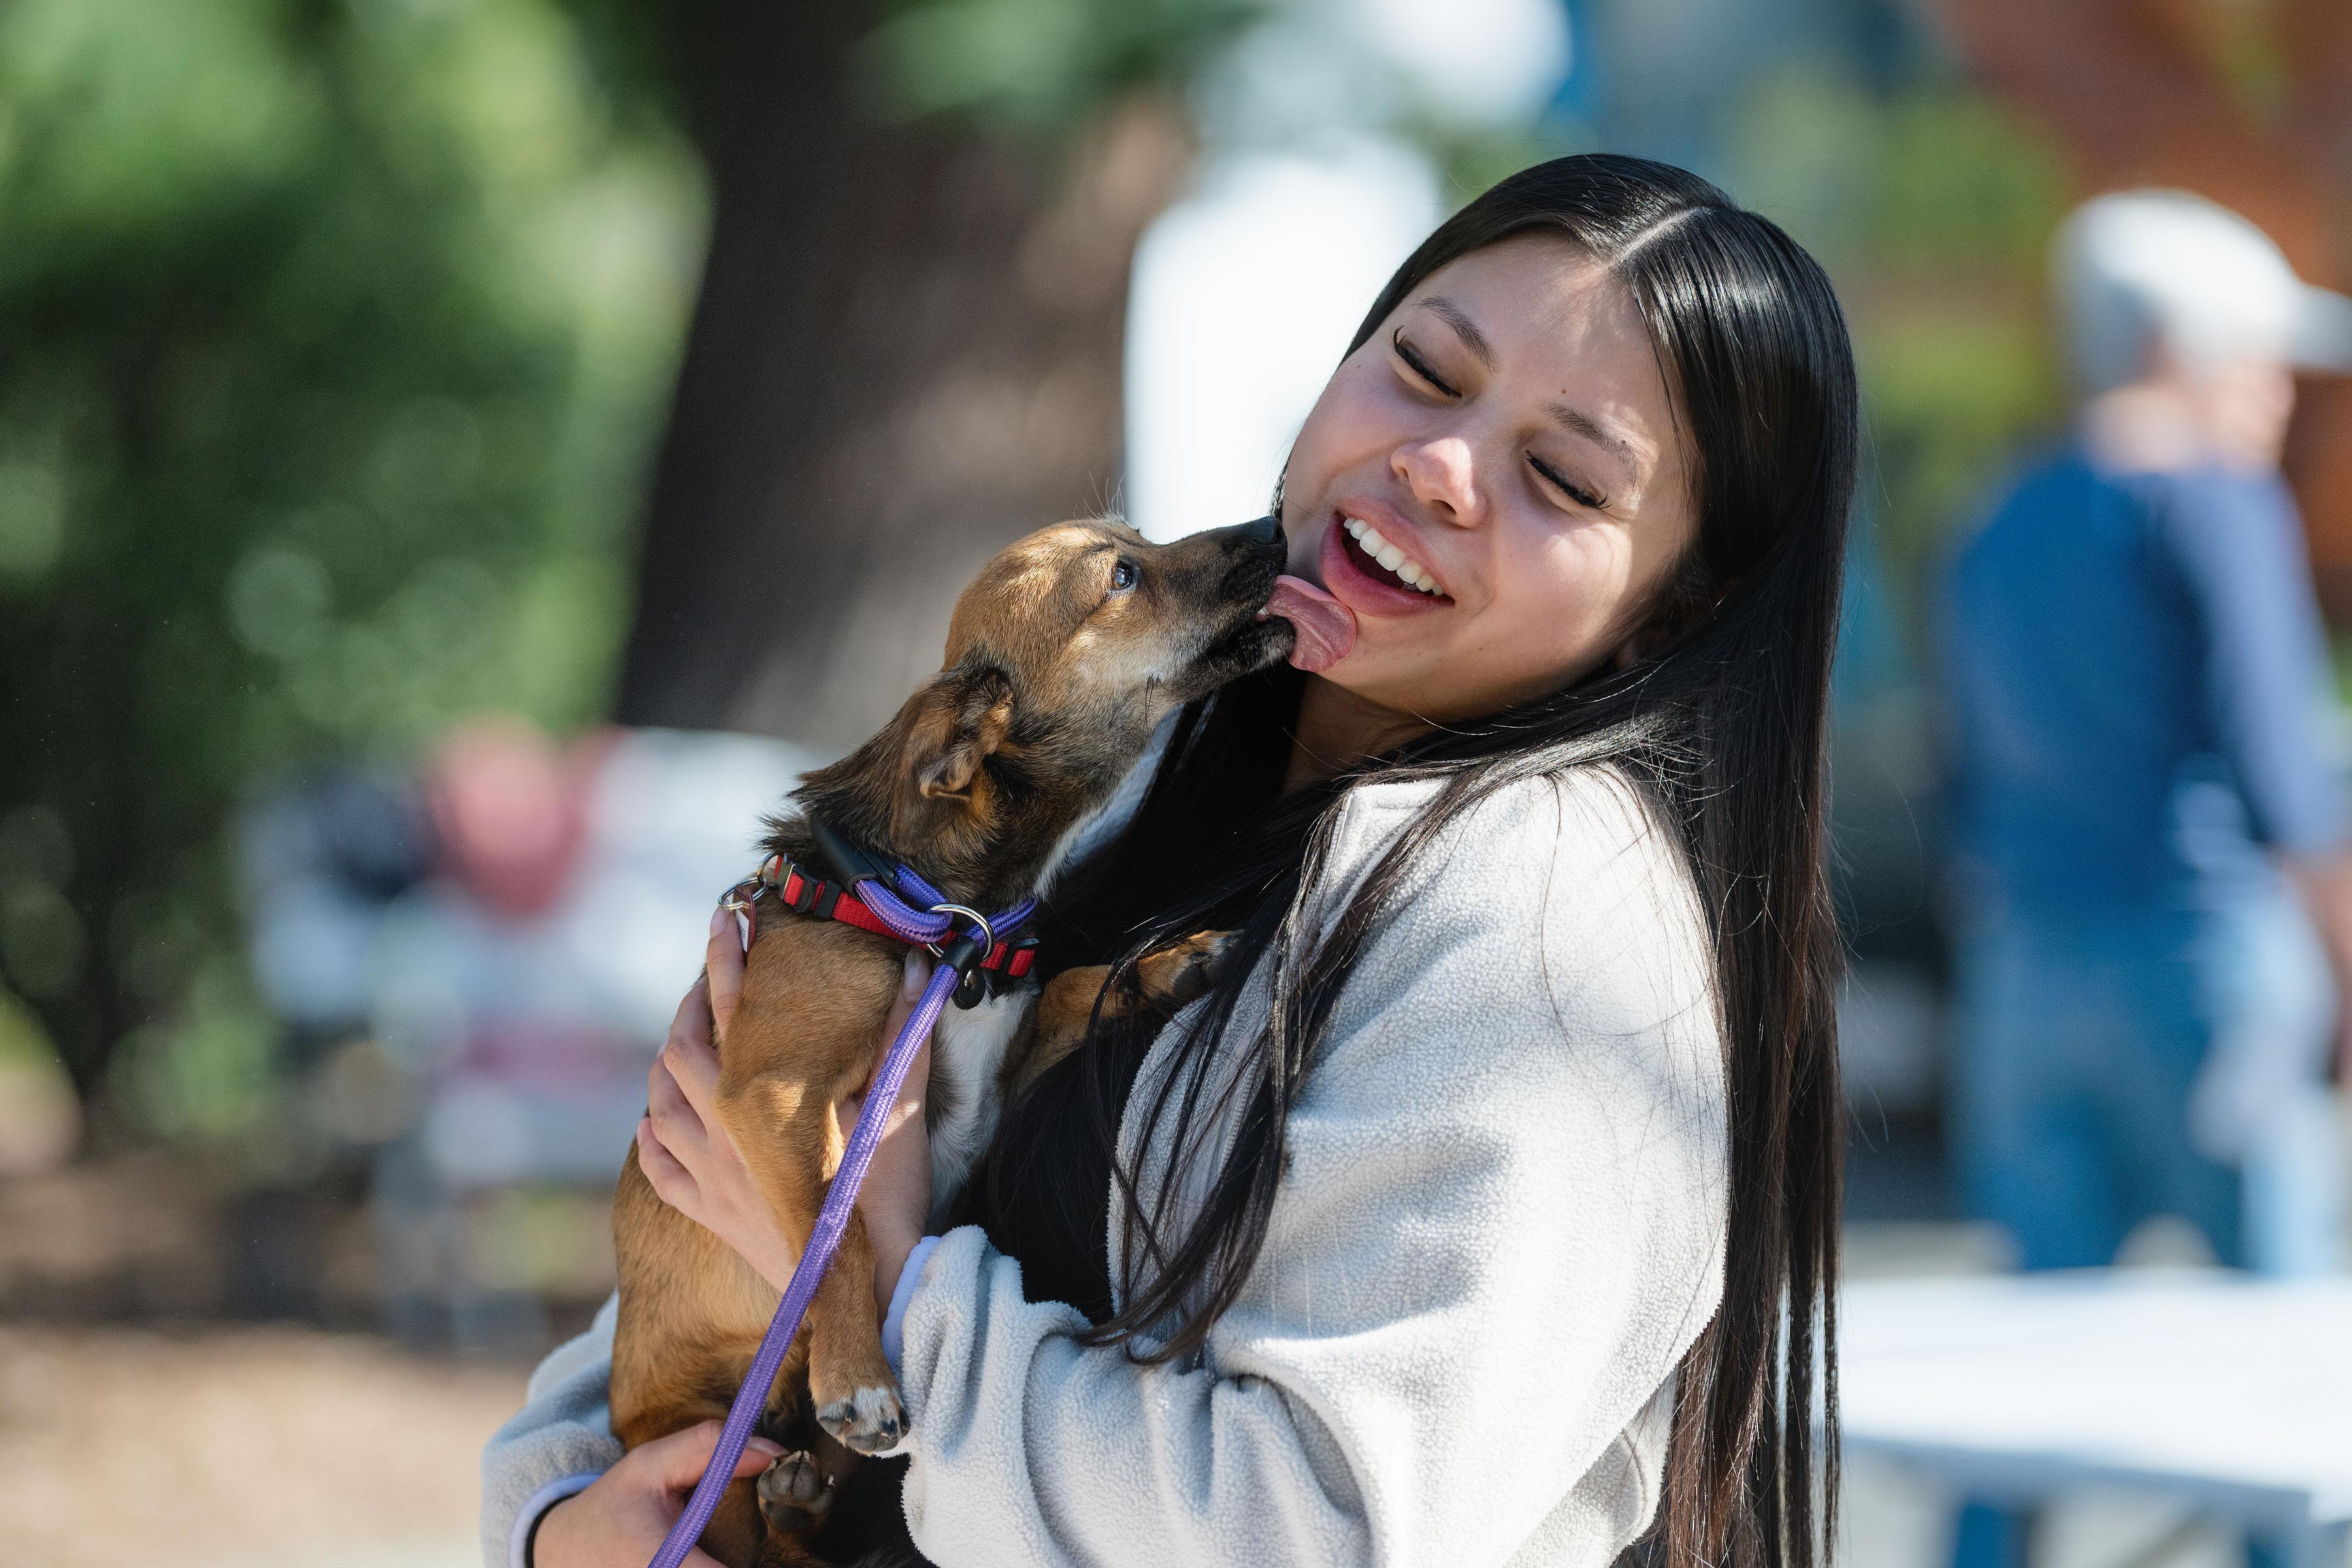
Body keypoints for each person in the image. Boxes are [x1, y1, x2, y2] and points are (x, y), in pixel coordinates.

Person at [482, 154, 1859, 1568]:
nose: (1440, 469)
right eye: (1427, 372)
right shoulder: (1128, 762)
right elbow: (708, 1236)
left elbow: (1322, 1531)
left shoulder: (1558, 935)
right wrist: (563, 1521)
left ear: (1677, 609)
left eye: (1563, 477)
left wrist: (883, 1291)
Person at [1936, 189, 2352, 1568]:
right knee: (2285, 1357)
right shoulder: (2217, 505)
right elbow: (2284, 778)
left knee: (2031, 1357)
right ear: (2182, 347)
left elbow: (1965, 782)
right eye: (2264, 362)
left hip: (2029, 976)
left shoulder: (1996, 520)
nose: (2280, 397)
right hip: (2203, 966)